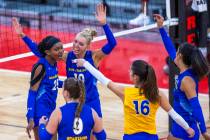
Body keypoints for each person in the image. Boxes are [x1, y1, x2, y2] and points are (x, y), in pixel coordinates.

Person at [13, 3, 116, 120]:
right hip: (72, 102)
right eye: (75, 41)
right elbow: (41, 52)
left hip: (91, 101)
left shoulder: (94, 57)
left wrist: (104, 24)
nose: (76, 45)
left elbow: (112, 43)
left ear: (87, 46)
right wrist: (23, 36)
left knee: (95, 135)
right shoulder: (68, 57)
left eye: (81, 44)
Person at [75, 59, 195, 140]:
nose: (129, 72)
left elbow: (103, 78)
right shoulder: (157, 94)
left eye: (130, 71)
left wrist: (85, 63)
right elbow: (175, 115)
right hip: (150, 137)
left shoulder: (126, 93)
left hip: (131, 137)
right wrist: (187, 128)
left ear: (136, 77)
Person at [154, 14, 210, 140]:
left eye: (177, 51)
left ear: (180, 56)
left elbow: (196, 106)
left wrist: (204, 131)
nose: (175, 53)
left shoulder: (186, 80)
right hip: (180, 125)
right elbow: (170, 49)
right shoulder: (184, 70)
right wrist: (161, 28)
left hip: (186, 129)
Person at [38, 78, 106, 140]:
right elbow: (102, 137)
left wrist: (42, 124)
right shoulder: (92, 112)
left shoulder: (58, 113)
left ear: (66, 93)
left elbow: (44, 137)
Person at [24, 35, 64, 140]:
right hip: (40, 112)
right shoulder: (41, 67)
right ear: (47, 52)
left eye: (61, 48)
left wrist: (67, 83)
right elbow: (32, 93)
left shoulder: (53, 62)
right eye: (57, 49)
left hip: (51, 108)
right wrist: (31, 117)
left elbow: (51, 81)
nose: (61, 51)